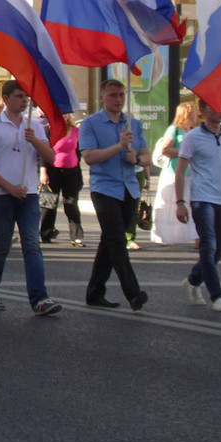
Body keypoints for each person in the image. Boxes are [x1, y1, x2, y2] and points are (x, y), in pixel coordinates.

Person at [0, 81, 62, 316]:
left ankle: (39, 298)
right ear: (6, 99)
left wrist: (34, 140)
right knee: (2, 244)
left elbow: (51, 157)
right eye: (18, 97)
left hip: (29, 195)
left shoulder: (33, 126)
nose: (24, 101)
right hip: (2, 195)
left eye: (26, 97)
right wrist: (8, 187)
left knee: (32, 246)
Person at [80, 78, 151, 311]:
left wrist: (138, 159)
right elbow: (89, 157)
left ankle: (94, 292)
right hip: (105, 189)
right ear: (102, 97)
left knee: (109, 241)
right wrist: (118, 147)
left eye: (121, 95)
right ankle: (133, 292)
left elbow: (147, 155)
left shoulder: (133, 124)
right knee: (118, 240)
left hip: (129, 188)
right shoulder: (91, 124)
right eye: (113, 95)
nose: (118, 99)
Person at [175, 98, 221, 313]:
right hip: (202, 198)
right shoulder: (192, 137)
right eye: (216, 107)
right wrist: (180, 202)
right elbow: (181, 171)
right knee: (208, 246)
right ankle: (218, 296)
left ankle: (192, 280)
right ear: (203, 110)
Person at [152, 101, 199, 246]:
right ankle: (165, 236)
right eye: (194, 111)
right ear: (187, 113)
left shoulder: (194, 131)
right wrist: (185, 153)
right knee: (170, 204)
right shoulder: (174, 129)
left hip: (190, 174)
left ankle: (196, 237)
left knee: (191, 204)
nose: (197, 114)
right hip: (173, 173)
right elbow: (165, 149)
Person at [40, 116, 86, 247]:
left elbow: (78, 151)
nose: (63, 116)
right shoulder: (49, 130)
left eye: (65, 114)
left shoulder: (75, 131)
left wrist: (77, 167)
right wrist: (43, 172)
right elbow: (44, 151)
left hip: (72, 171)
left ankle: (77, 236)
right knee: (49, 203)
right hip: (52, 170)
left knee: (71, 203)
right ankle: (46, 234)